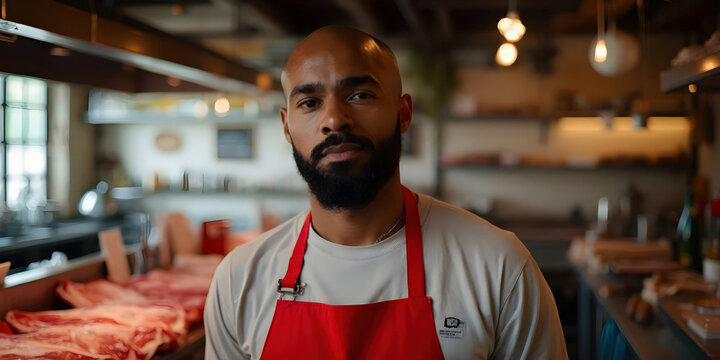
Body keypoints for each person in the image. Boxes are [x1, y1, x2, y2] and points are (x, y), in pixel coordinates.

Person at [204, 25, 568, 359]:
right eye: (310, 103)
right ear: (286, 126)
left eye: (360, 94)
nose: (334, 119)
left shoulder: (499, 267)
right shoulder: (239, 280)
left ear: (403, 113)